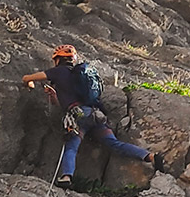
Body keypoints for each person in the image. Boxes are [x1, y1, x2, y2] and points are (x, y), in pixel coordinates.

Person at [22, 44, 165, 188]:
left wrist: (29, 83)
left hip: (78, 116)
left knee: (71, 147)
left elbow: (28, 77)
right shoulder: (79, 76)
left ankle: (66, 177)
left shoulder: (58, 72)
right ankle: (150, 156)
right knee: (114, 144)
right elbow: (63, 102)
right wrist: (54, 96)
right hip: (97, 115)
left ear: (58, 59)